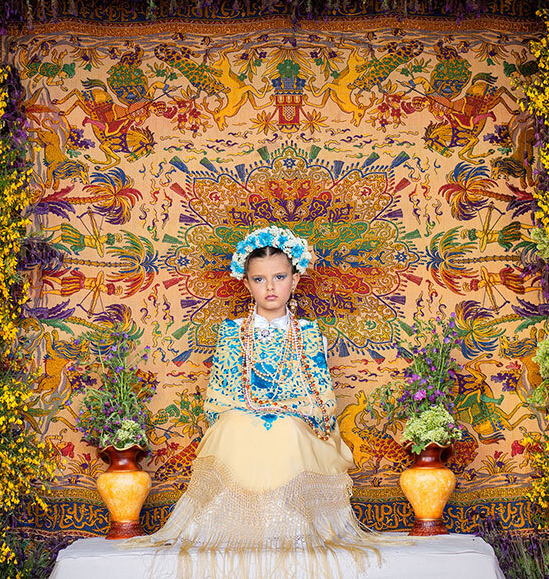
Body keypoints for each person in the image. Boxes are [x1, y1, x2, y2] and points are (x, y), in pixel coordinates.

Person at [136, 225, 392, 578]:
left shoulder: (308, 333)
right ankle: (225, 529)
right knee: (237, 427)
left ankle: (290, 530)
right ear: (246, 283)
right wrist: (255, 411)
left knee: (285, 430)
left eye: (279, 277)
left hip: (296, 422)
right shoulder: (232, 332)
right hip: (243, 416)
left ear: (296, 279)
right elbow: (219, 394)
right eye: (260, 279)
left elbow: (320, 395)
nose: (270, 288)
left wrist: (284, 410)